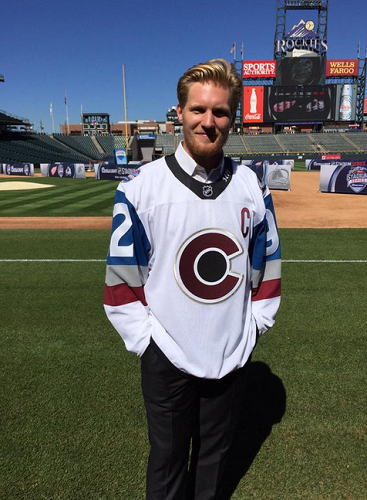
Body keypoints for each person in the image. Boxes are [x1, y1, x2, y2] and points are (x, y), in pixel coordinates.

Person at [104, 58, 281, 500]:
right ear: (179, 112)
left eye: (220, 112)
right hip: (165, 352)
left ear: (232, 118)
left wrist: (253, 326)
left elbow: (268, 266)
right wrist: (148, 343)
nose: (209, 122)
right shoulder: (140, 187)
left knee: (214, 459)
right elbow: (122, 281)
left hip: (230, 350)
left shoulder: (252, 187)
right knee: (166, 461)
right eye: (199, 110)